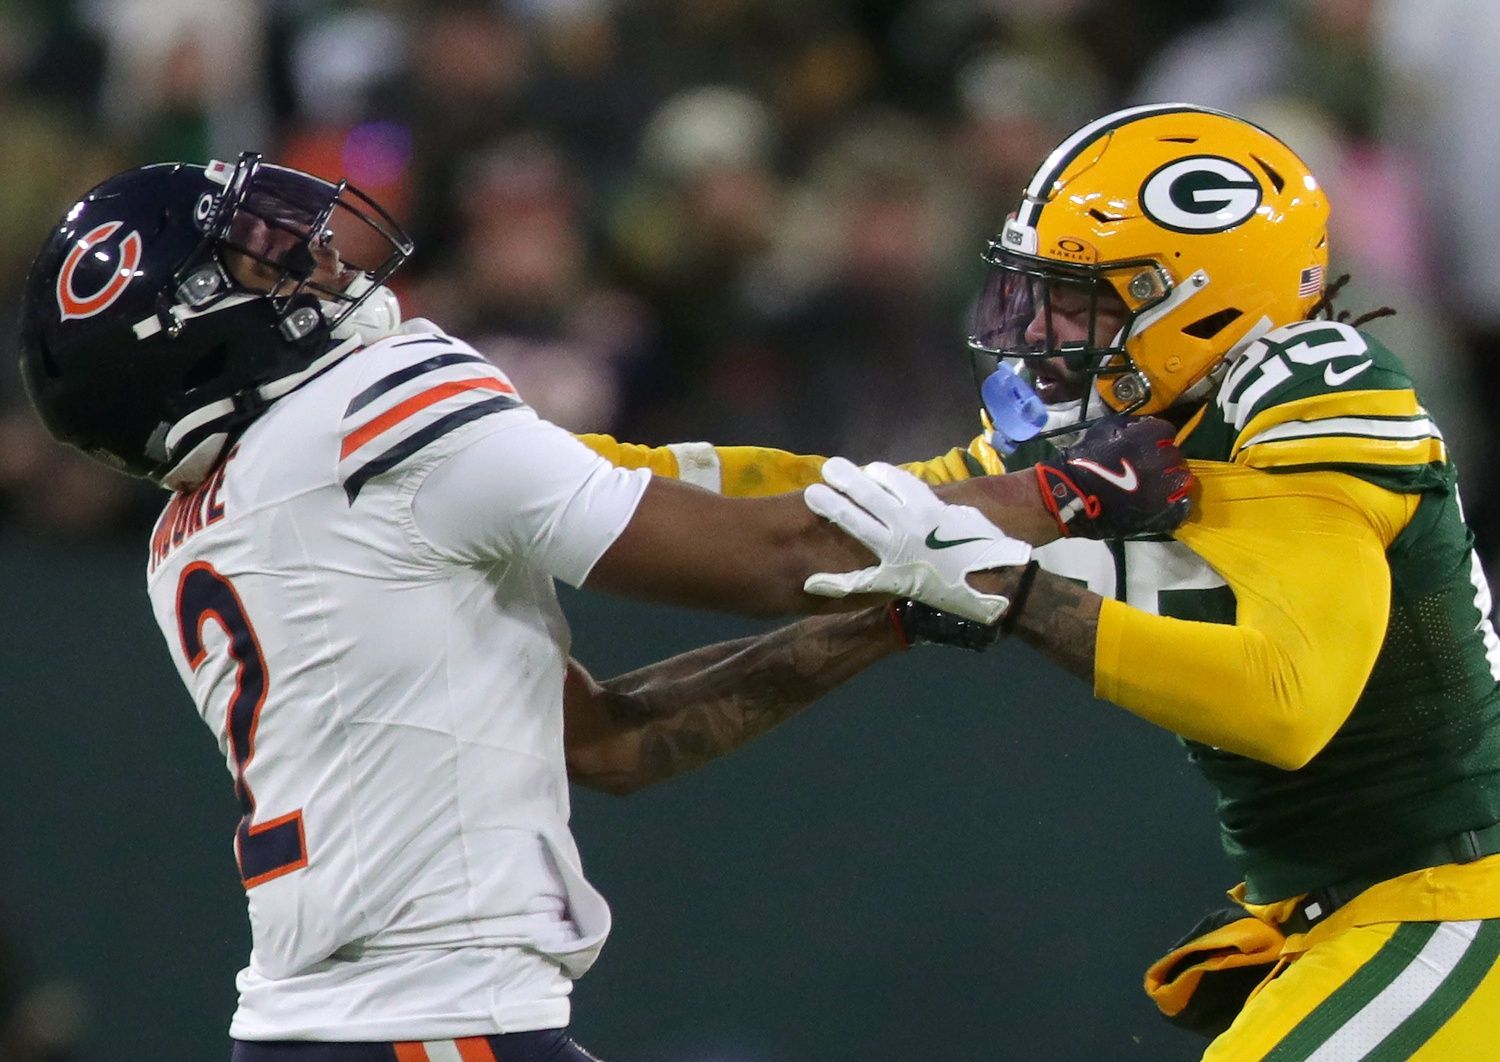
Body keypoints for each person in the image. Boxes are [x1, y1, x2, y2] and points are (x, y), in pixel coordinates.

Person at [16, 154, 1191, 1060]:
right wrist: (1064, 491)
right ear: (195, 332)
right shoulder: (369, 413)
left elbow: (609, 743)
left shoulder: (201, 531)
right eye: (271, 261)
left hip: (323, 1026)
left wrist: (883, 622)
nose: (321, 261)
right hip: (435, 1020)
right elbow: (778, 548)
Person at [592, 104, 1500, 1059]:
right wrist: (564, 463)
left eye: (1087, 299)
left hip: (1448, 899)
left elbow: (1288, 702)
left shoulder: (1312, 384)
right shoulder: (1117, 427)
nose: (1045, 326)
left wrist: (1015, 590)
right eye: (1041, 290)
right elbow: (855, 500)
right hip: (1352, 912)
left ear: (1212, 296)